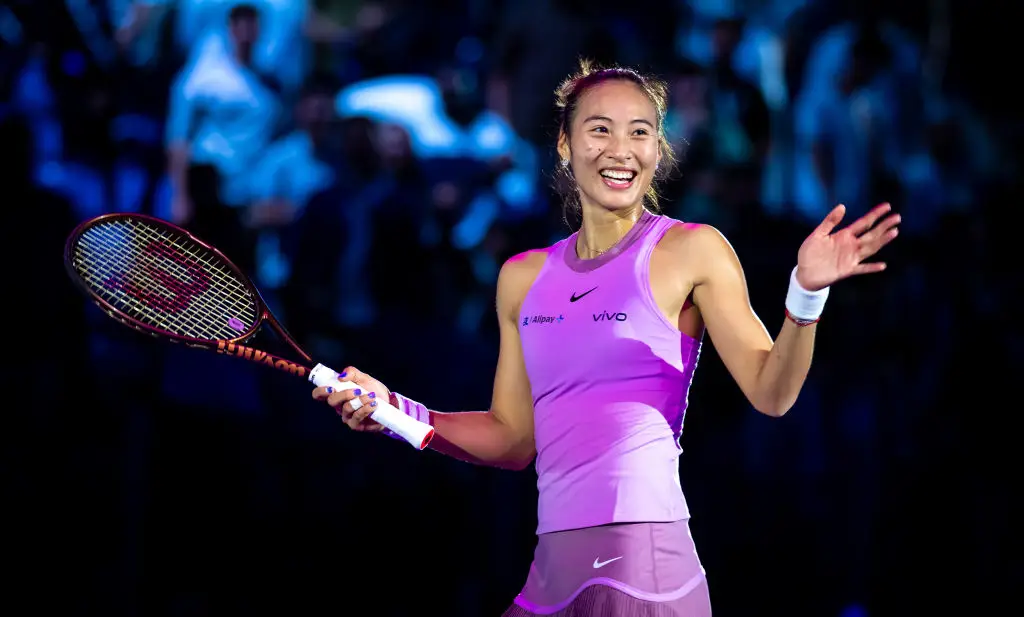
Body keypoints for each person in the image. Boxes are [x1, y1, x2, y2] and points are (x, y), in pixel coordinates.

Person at [312, 60, 900, 616]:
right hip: (552, 576)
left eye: (639, 131)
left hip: (645, 575)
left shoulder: (692, 250)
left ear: (657, 148)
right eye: (600, 130)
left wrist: (805, 296)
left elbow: (772, 394)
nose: (621, 150)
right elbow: (511, 440)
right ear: (566, 146)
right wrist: (392, 411)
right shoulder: (522, 278)